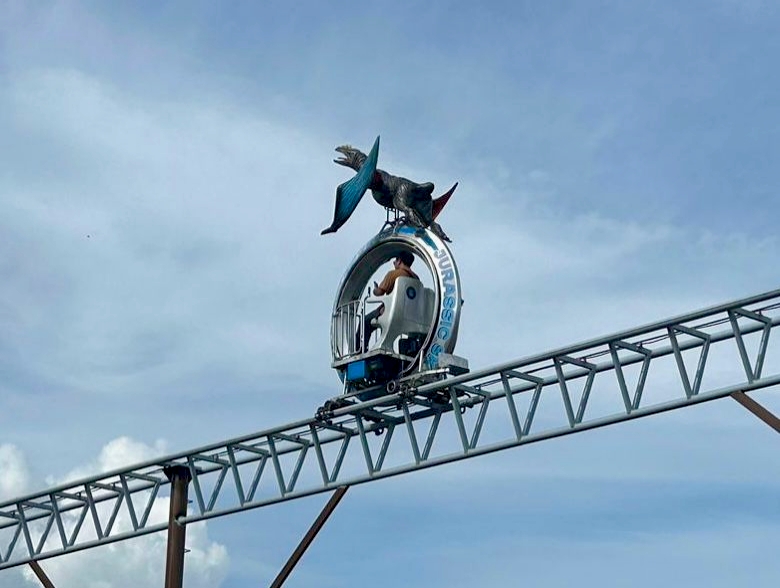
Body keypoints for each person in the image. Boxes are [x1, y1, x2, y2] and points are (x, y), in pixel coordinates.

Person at [360, 251, 419, 351]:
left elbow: (379, 293)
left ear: (400, 261)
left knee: (365, 321)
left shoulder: (394, 274)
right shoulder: (416, 279)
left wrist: (375, 289)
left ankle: (360, 349)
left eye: (395, 260)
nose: (394, 263)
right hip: (410, 316)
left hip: (390, 312)